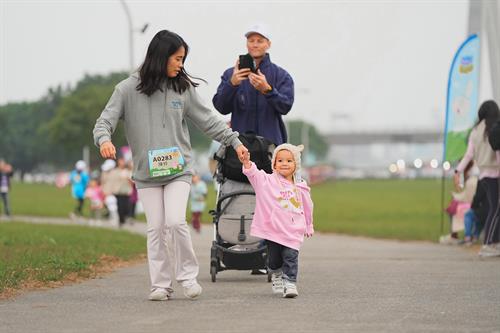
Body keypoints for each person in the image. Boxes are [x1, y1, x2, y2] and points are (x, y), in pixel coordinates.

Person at [93, 30, 248, 301]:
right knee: (155, 228)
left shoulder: (182, 88)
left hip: (179, 170)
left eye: (183, 59)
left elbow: (208, 121)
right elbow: (103, 121)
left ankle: (188, 277)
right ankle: (161, 285)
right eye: (177, 58)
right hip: (146, 172)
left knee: (175, 222)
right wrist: (104, 140)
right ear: (161, 56)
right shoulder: (127, 89)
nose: (181, 64)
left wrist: (234, 142)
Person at [242, 143, 313, 298]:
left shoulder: (299, 186)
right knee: (274, 259)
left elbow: (307, 206)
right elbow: (254, 174)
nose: (284, 164)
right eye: (280, 161)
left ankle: (290, 283)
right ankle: (276, 273)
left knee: (291, 256)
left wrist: (308, 225)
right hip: (273, 230)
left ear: (296, 164)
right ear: (274, 164)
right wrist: (247, 163)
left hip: (293, 230)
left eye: (289, 161)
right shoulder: (266, 182)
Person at [212, 23, 294, 145]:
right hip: (240, 147)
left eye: (260, 41)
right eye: (251, 40)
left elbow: (286, 107)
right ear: (246, 43)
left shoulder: (281, 75)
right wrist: (232, 84)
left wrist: (268, 90)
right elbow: (221, 107)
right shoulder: (231, 74)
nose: (255, 44)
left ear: (268, 44)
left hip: (270, 145)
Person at [454, 100, 500, 257]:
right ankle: (488, 244)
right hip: (495, 173)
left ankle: (494, 243)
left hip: (483, 175)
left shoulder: (475, 131)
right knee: (495, 209)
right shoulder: (493, 129)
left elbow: (469, 155)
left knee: (494, 209)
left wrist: (458, 171)